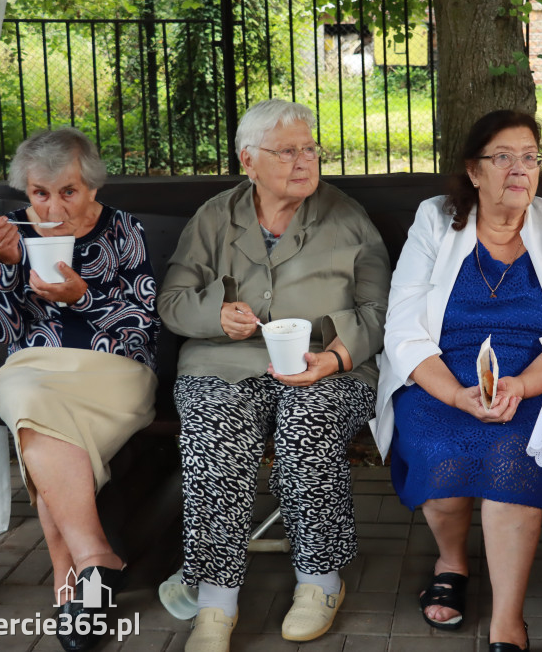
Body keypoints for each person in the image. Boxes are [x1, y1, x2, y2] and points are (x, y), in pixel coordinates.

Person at [158, 99, 390, 651]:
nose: (304, 160)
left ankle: (318, 581)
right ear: (249, 160)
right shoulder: (216, 216)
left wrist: (333, 358)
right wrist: (215, 315)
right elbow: (171, 300)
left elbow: (381, 311)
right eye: (287, 151)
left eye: (310, 149)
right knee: (216, 434)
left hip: (330, 365)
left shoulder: (347, 216)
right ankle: (216, 601)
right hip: (224, 363)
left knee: (307, 430)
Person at [375, 110, 542, 652]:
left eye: (529, 157)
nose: (519, 169)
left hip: (535, 376)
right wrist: (456, 392)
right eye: (503, 157)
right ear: (473, 172)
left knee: (514, 453)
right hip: (442, 374)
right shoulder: (435, 221)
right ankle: (453, 560)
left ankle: (507, 617)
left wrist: (525, 385)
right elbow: (405, 327)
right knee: (440, 446)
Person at [0, 128, 160, 652]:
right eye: (40, 193)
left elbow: (142, 323)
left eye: (69, 191)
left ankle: (68, 578)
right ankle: (94, 559)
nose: (53, 205)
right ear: (26, 191)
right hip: (34, 367)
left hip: (115, 371)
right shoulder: (10, 232)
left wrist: (82, 297)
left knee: (35, 418)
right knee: (28, 396)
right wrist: (8, 268)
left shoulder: (125, 229)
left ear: (92, 188)